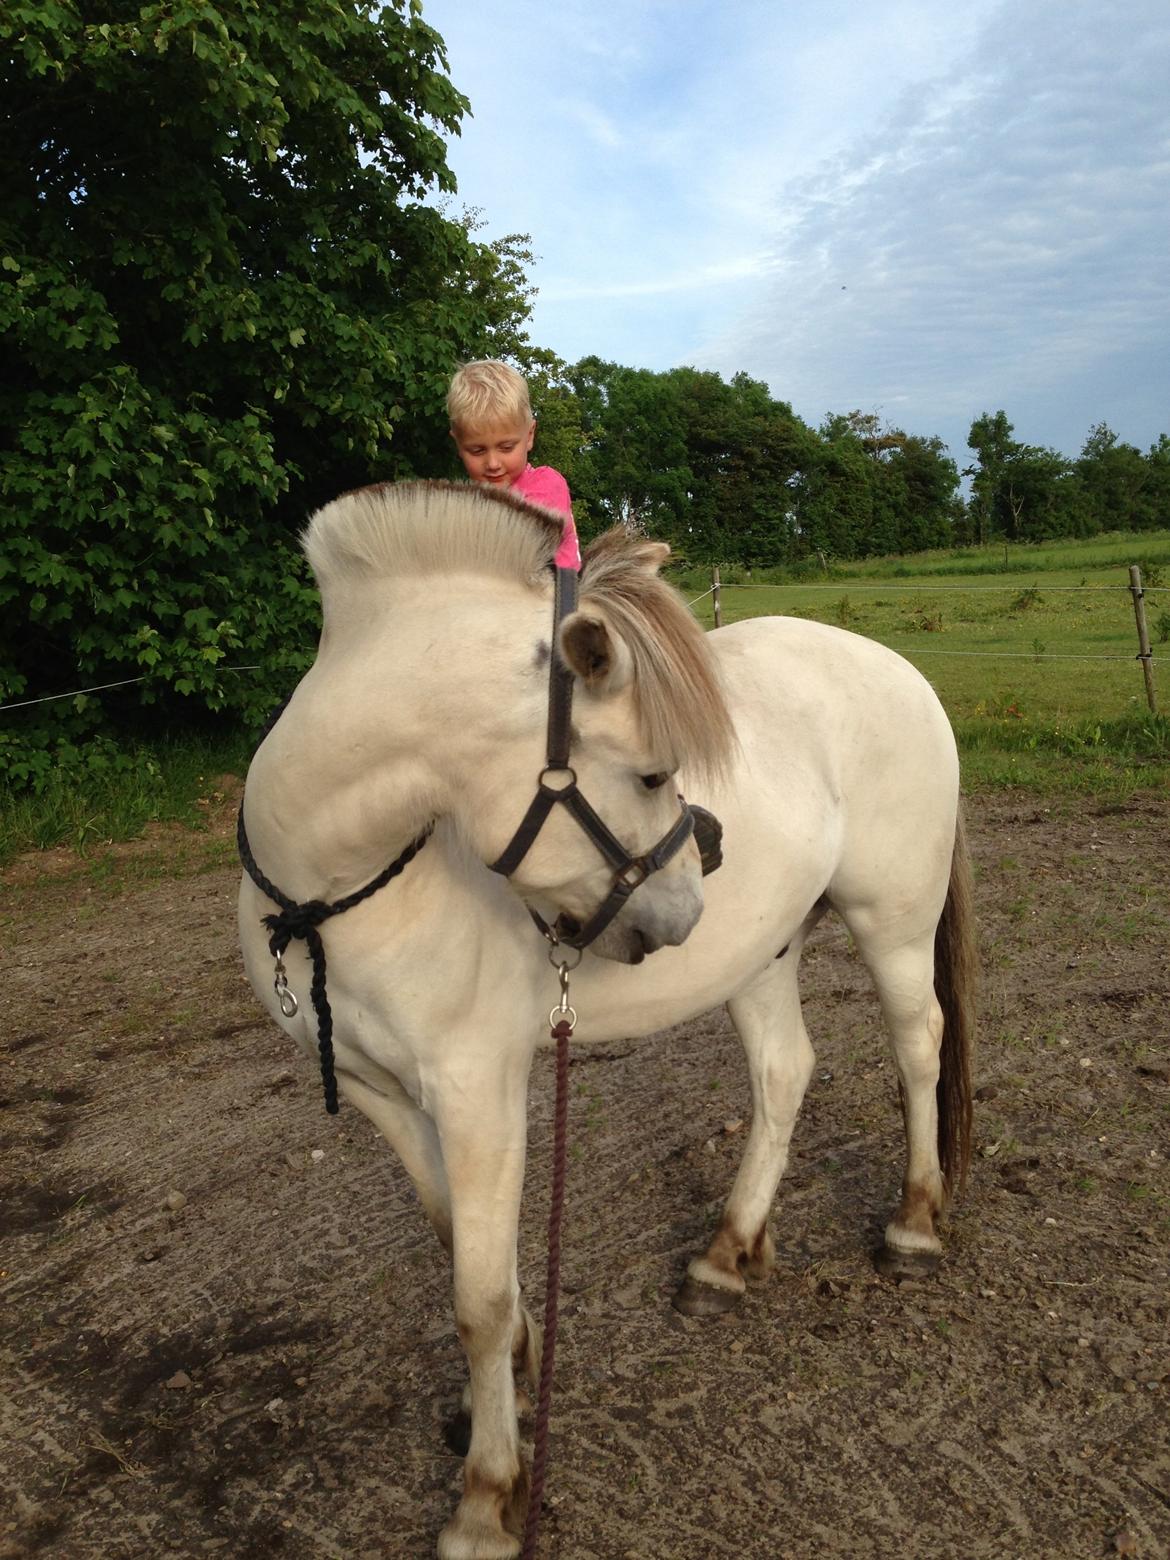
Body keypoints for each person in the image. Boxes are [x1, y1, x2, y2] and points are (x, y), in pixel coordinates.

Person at [447, 359, 581, 570]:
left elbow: (526, 543)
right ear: (458, 444)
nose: (493, 463)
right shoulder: (466, 501)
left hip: (555, 587)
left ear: (530, 435)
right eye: (477, 451)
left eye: (506, 447)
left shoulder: (547, 485)